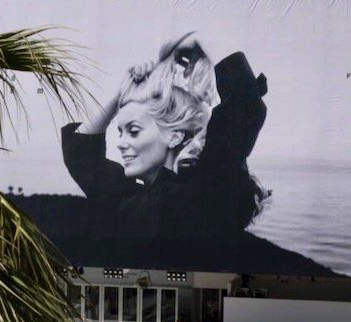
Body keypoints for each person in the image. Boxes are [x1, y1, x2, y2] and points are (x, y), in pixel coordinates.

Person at [61, 33, 269, 267]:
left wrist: (200, 41)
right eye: (120, 132)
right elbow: (81, 157)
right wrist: (121, 93)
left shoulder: (204, 192)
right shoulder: (130, 199)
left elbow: (246, 106)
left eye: (134, 131)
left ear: (175, 136)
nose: (120, 143)